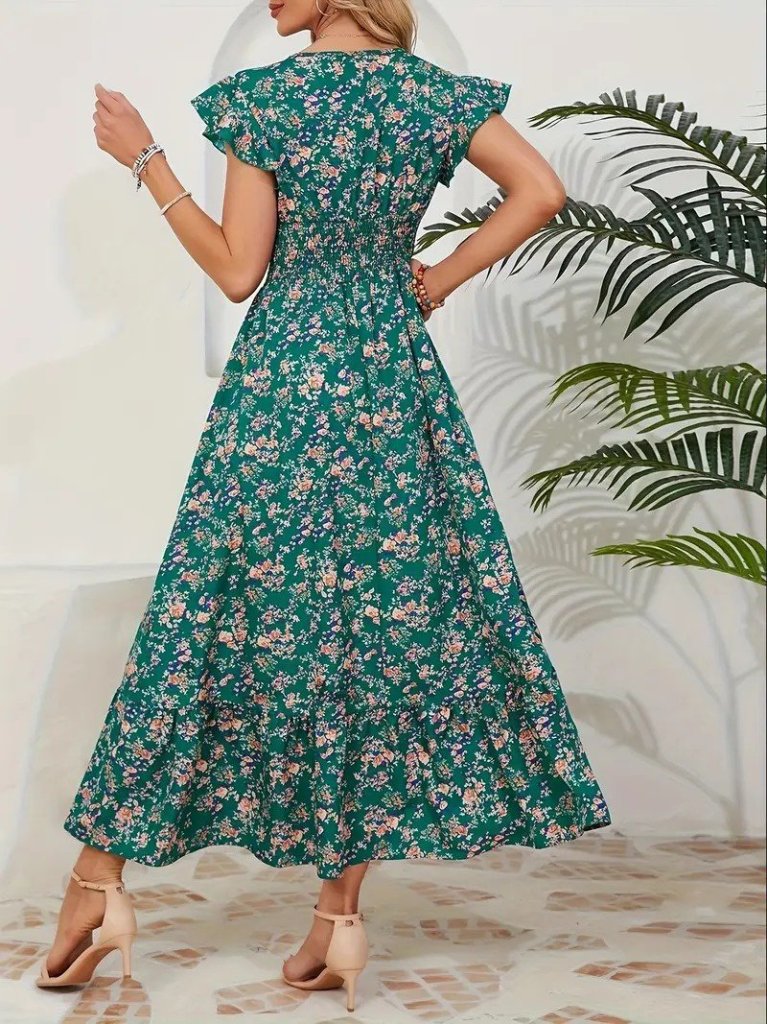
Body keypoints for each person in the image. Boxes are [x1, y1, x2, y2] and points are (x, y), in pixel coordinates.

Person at [36, 0, 611, 1012]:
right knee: (374, 636)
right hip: (391, 382)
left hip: (284, 392)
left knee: (202, 619)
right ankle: (337, 920)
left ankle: (98, 883)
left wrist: (147, 160)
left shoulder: (265, 100)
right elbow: (541, 190)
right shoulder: (434, 97)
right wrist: (434, 280)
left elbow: (237, 271)